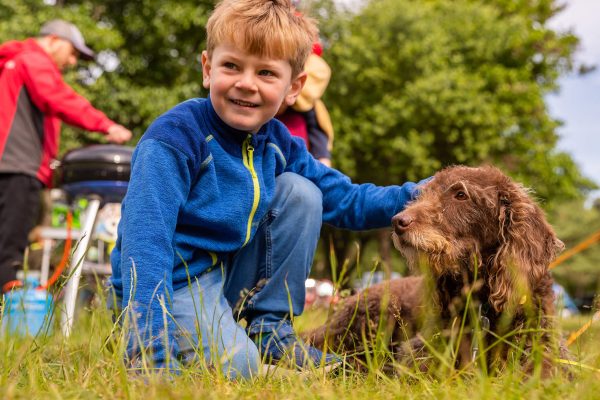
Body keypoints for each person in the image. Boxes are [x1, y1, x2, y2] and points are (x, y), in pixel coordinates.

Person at [109, 0, 427, 379]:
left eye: (265, 72)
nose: (246, 82)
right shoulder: (176, 137)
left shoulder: (278, 141)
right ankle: (186, 339)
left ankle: (270, 329)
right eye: (231, 66)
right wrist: (149, 349)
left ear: (293, 88)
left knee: (303, 191)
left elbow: (346, 200)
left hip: (227, 275)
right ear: (208, 69)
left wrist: (423, 194)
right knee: (239, 367)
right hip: (171, 283)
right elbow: (145, 244)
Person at [0, 20, 132, 293]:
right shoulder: (32, 60)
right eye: (72, 52)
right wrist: (105, 124)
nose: (72, 62)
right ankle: (7, 318)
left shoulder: (14, 63)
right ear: (53, 40)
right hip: (16, 167)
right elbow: (57, 97)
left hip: (12, 165)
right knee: (9, 249)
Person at [276, 41, 334, 166]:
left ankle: (323, 171)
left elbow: (313, 88)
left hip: (304, 107)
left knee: (319, 140)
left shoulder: (315, 64)